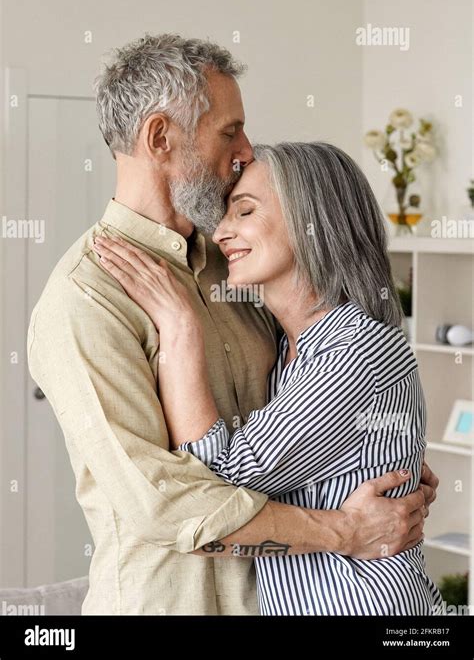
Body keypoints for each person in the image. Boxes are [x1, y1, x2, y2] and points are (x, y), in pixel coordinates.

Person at [27, 34, 437, 616]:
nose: (245, 149)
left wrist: (388, 455)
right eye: (229, 131)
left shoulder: (244, 265)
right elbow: (161, 505)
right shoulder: (84, 299)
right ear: (161, 137)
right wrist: (344, 531)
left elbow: (329, 397)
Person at [94, 141, 443, 616]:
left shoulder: (357, 348)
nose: (221, 233)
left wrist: (180, 327)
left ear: (311, 222)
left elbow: (220, 482)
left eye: (244, 211)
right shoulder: (288, 350)